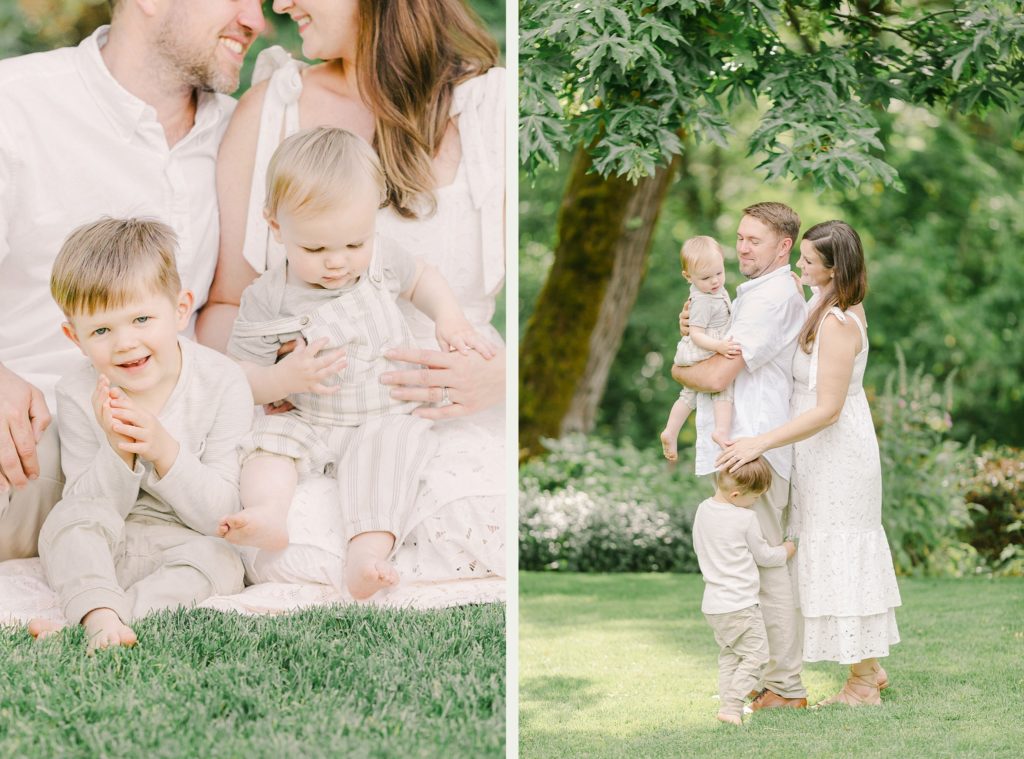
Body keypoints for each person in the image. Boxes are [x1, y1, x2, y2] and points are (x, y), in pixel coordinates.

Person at [198, 0, 506, 590]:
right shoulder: (273, 111)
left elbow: (524, 308)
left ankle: (370, 553)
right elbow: (229, 308)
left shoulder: (490, 106)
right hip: (303, 411)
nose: (279, 6)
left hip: (446, 419)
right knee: (288, 527)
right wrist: (267, 384)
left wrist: (502, 377)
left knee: (464, 514)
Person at [0, 0, 266, 561]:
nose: (256, 20)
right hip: (33, 434)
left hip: (175, 451)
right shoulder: (16, 103)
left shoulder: (241, 132)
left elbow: (227, 305)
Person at [221, 127, 495, 600]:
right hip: (308, 417)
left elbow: (421, 280)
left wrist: (449, 316)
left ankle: (366, 556)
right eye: (315, 249)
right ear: (275, 225)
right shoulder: (266, 298)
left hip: (382, 413)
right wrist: (281, 378)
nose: (337, 263)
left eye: (353, 244)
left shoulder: (381, 261)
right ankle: (268, 514)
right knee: (265, 447)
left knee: (388, 461)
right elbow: (240, 376)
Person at [30, 218, 253, 652]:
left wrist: (164, 451)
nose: (125, 343)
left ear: (181, 309)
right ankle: (99, 613)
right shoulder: (78, 391)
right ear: (73, 337)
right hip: (111, 541)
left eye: (142, 319)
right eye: (100, 331)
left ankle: (106, 621)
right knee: (66, 524)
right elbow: (87, 505)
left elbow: (221, 514)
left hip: (183, 541)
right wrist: (119, 452)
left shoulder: (224, 382)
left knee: (224, 560)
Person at [717, 220, 901, 706]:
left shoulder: (840, 321)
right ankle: (870, 668)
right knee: (823, 553)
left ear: (834, 268)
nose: (799, 264)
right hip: (814, 452)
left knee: (840, 555)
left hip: (838, 450)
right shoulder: (821, 302)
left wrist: (761, 440)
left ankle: (862, 684)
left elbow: (828, 409)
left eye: (809, 261)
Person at [672, 201, 809, 710]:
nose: (742, 246)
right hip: (740, 443)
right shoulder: (745, 295)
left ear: (783, 246)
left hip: (757, 445)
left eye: (754, 239)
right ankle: (761, 677)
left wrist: (677, 368)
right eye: (741, 237)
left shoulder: (771, 297)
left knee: (769, 573)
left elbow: (715, 375)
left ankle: (785, 687)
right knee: (750, 570)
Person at [693, 458, 796, 725]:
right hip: (740, 605)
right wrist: (785, 550)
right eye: (754, 497)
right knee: (757, 656)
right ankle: (732, 705)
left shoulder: (703, 510)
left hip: (714, 605)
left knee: (731, 654)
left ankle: (727, 700)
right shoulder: (745, 518)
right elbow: (763, 556)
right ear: (736, 495)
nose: (755, 503)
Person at [661, 236, 740, 462]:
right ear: (688, 277)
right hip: (703, 347)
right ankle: (721, 431)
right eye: (706, 278)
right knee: (722, 387)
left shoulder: (716, 289)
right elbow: (695, 334)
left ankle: (670, 431)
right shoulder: (703, 300)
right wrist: (720, 347)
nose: (715, 281)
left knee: (688, 395)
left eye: (719, 273)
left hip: (710, 345)